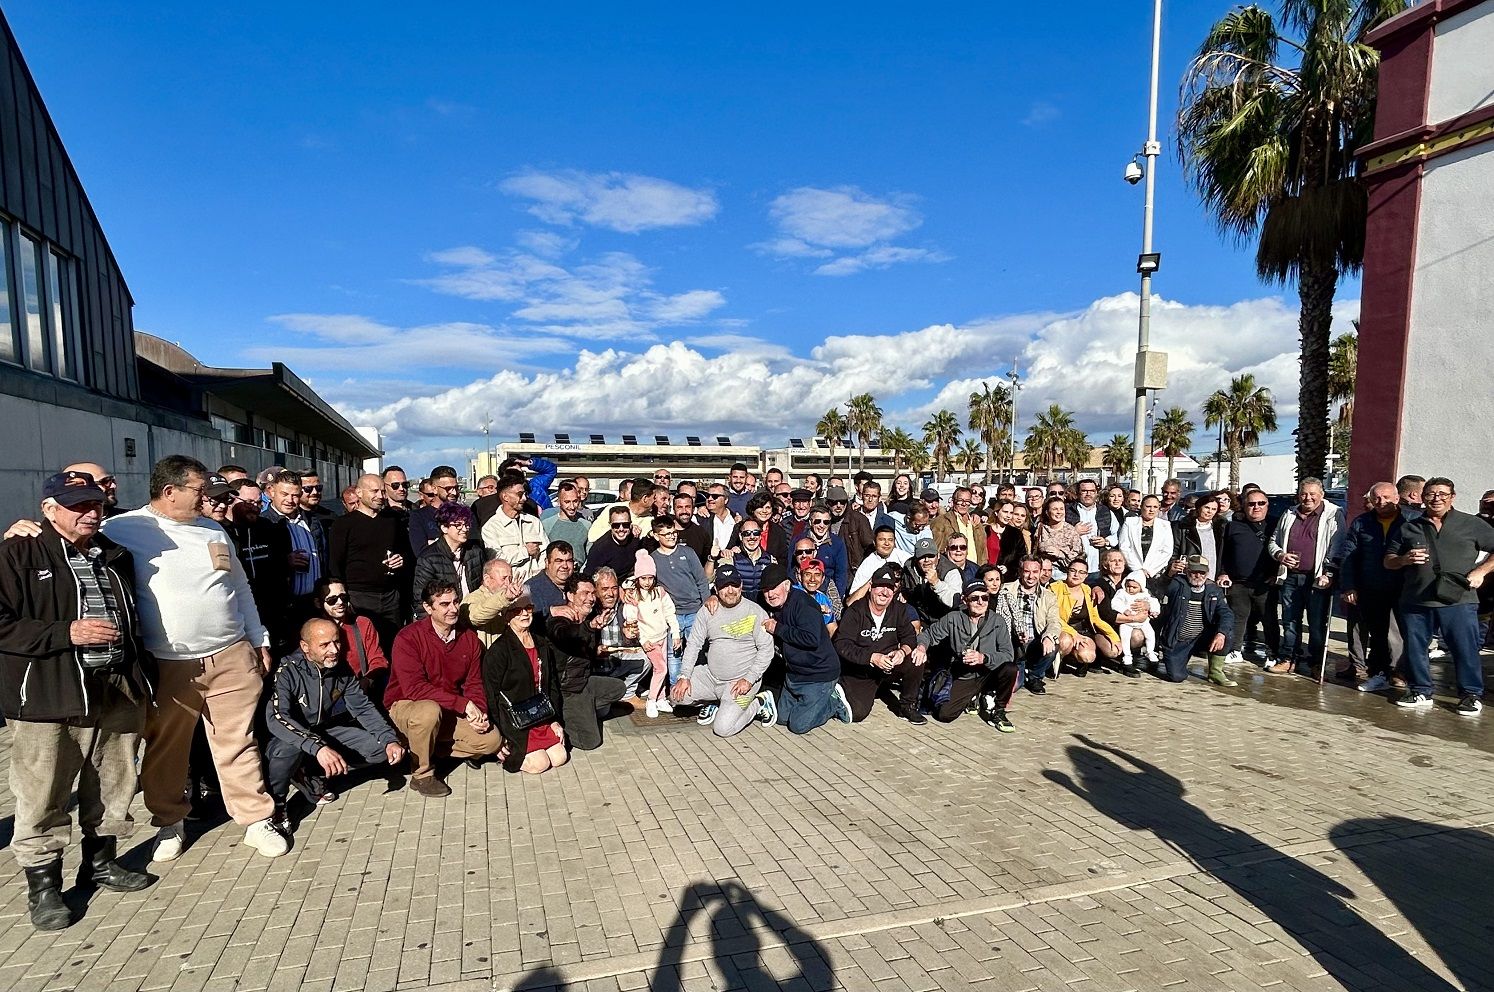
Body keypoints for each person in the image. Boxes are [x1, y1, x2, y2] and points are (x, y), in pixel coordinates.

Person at [101, 455, 287, 862]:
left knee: (237, 741)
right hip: (170, 664)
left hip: (232, 653)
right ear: (170, 492)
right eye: (199, 491)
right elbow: (67, 539)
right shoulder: (123, 528)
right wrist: (24, 529)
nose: (207, 499)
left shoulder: (213, 530)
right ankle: (169, 822)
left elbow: (239, 587)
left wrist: (259, 639)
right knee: (168, 746)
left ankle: (256, 818)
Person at [0, 471, 154, 929]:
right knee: (43, 791)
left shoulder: (113, 554)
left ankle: (101, 862)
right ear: (49, 510)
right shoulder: (17, 553)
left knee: (114, 781)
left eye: (95, 504)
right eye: (77, 506)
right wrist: (65, 633)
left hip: (117, 687)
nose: (91, 513)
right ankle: (44, 888)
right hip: (50, 694)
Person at [264, 619, 405, 833]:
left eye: (337, 642)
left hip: (324, 729)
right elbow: (277, 716)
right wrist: (318, 747)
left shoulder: (342, 668)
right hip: (287, 735)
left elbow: (362, 708)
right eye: (325, 645)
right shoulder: (287, 670)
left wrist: (389, 739)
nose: (334, 650)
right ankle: (278, 804)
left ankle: (309, 774)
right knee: (288, 749)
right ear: (305, 647)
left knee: (379, 749)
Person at [1386, 477, 1494, 715]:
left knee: (1464, 649)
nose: (1436, 499)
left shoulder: (1470, 524)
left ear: (1452, 497)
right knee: (1415, 648)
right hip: (1415, 600)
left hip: (1459, 599)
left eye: (1442, 494)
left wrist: (1481, 571)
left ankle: (1470, 695)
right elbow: (1388, 560)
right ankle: (1421, 690)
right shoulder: (1409, 526)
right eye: (1431, 494)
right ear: (1423, 497)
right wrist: (1404, 560)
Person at [385, 581, 503, 798]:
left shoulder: (468, 638)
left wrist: (479, 711)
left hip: (447, 706)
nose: (453, 609)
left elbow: (473, 682)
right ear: (428, 608)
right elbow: (415, 688)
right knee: (428, 712)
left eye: (456, 602)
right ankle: (422, 774)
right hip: (407, 703)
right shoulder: (408, 637)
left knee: (491, 741)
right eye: (445, 604)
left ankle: (427, 747)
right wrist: (463, 704)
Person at [669, 565, 776, 737]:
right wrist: (684, 676)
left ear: (741, 586)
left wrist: (749, 679)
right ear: (716, 589)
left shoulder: (755, 611)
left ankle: (758, 704)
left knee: (723, 729)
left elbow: (766, 650)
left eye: (734, 585)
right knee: (676, 696)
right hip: (711, 678)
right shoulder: (708, 610)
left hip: (740, 682)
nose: (731, 591)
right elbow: (694, 644)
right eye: (725, 586)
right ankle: (716, 702)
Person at [913, 579, 1018, 730]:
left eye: (985, 598)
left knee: (1010, 669)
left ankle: (998, 710)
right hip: (966, 675)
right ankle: (972, 697)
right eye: (975, 598)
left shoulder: (997, 621)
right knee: (944, 715)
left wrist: (984, 658)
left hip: (989, 671)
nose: (980, 602)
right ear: (965, 600)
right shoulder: (954, 618)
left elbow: (1008, 654)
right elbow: (929, 634)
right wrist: (921, 647)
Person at [481, 595, 569, 773]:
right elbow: (491, 695)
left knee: (560, 757)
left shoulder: (541, 643)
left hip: (541, 716)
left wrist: (554, 720)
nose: (524, 614)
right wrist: (499, 735)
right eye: (516, 610)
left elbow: (552, 684)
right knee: (539, 764)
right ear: (507, 617)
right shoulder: (499, 651)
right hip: (514, 721)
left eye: (528, 608)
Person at [759, 564, 851, 733]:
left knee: (798, 726)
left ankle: (833, 703)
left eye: (774, 588)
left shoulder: (803, 605)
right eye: (765, 590)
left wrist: (777, 629)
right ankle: (809, 703)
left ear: (787, 585)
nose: (770, 594)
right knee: (781, 718)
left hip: (818, 674)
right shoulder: (776, 604)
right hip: (795, 675)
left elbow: (811, 639)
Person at [1265, 478, 1343, 676]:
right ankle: (1289, 659)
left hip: (1317, 578)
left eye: (1312, 494)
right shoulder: (1289, 513)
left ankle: (1317, 663)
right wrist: (1280, 555)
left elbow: (1338, 546)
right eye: (1303, 494)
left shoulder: (1334, 514)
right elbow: (1274, 541)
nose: (1307, 498)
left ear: (1321, 494)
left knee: (1316, 624)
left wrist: (1329, 572)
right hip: (1291, 577)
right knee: (1289, 621)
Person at [328, 474, 413, 649]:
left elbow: (406, 551)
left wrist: (401, 559)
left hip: (390, 596)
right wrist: (344, 598)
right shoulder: (343, 524)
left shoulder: (392, 521)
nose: (380, 496)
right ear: (359, 492)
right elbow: (335, 563)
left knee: (393, 646)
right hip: (359, 597)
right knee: (363, 647)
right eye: (374, 491)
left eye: (382, 491)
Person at [834, 564, 924, 724]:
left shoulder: (899, 610)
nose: (884, 592)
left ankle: (907, 706)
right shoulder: (855, 611)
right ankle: (839, 688)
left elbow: (910, 637)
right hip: (862, 669)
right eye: (880, 586)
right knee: (857, 714)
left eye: (889, 587)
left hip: (889, 664)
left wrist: (902, 652)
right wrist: (872, 657)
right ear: (871, 587)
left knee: (917, 657)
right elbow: (841, 645)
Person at [546, 575, 628, 751]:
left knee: (619, 688)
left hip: (585, 681)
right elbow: (564, 634)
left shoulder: (590, 619)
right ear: (570, 596)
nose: (590, 598)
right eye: (584, 593)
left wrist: (597, 650)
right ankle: (567, 716)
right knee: (590, 742)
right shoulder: (559, 619)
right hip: (568, 690)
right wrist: (590, 627)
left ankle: (584, 712)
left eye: (592, 593)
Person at [1337, 482, 1406, 692]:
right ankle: (1379, 673)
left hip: (1403, 588)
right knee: (1377, 635)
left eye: (1386, 497)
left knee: (1399, 634)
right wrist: (1348, 586)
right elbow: (1349, 556)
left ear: (1397, 498)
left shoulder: (1410, 521)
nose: (1381, 502)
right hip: (1371, 587)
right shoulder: (1362, 523)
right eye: (1376, 498)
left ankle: (1398, 672)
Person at [1216, 489, 1278, 667]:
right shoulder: (1233, 526)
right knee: (1238, 617)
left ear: (1267, 505)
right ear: (1244, 506)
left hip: (1266, 583)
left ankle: (1273, 653)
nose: (1256, 507)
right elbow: (1224, 553)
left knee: (1269, 619)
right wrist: (1223, 572)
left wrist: (1277, 573)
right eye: (1251, 504)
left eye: (1261, 503)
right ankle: (1235, 650)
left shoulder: (1275, 524)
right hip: (1239, 583)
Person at [263, 469, 326, 634]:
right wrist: (284, 562)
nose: (290, 500)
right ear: (271, 492)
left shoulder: (312, 520)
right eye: (284, 494)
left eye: (296, 495)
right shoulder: (262, 524)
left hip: (313, 604)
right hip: (283, 609)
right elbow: (257, 569)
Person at [1156, 555, 1235, 686]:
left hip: (1201, 637)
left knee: (1227, 631)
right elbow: (1161, 589)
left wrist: (1221, 633)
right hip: (1178, 640)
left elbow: (1226, 613)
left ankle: (1215, 672)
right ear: (1187, 571)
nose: (1198, 576)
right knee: (1176, 677)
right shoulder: (1177, 583)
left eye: (1202, 572)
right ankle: (1179, 660)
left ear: (1207, 573)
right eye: (1194, 572)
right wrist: (1169, 574)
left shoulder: (1214, 589)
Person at [222, 478, 291, 629]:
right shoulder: (220, 531)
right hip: (237, 610)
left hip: (271, 611)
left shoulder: (268, 528)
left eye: (259, 503)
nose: (254, 508)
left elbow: (279, 566)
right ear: (232, 500)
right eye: (248, 503)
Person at [649, 515, 710, 683]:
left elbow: (701, 579)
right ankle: (676, 689)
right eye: (666, 534)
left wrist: (706, 603)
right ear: (656, 536)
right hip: (672, 615)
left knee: (696, 650)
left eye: (673, 532)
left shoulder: (687, 552)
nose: (671, 536)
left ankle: (697, 685)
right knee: (673, 653)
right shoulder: (653, 558)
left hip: (694, 611)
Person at [623, 552, 680, 718]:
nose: (647, 582)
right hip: (649, 640)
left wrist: (675, 633)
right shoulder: (634, 597)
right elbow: (631, 620)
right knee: (660, 669)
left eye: (650, 578)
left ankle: (661, 698)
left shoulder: (660, 593)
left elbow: (670, 613)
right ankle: (651, 699)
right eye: (643, 578)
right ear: (637, 578)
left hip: (662, 636)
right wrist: (642, 640)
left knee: (663, 669)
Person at [312, 577, 389, 696]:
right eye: (332, 600)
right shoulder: (312, 630)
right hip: (325, 694)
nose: (340, 603)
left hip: (361, 690)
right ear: (318, 603)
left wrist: (368, 680)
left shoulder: (362, 623)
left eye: (343, 597)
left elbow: (378, 660)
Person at [995, 556, 1061, 694]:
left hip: (1035, 642)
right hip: (1013, 644)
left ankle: (1034, 676)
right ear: (1020, 571)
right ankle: (1021, 672)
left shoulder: (1048, 596)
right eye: (1027, 571)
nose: (1031, 576)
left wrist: (1048, 636)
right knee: (1012, 688)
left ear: (1040, 572)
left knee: (1053, 645)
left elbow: (1054, 621)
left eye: (1035, 572)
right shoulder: (1006, 590)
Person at [1050, 558, 1122, 675]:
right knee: (1065, 642)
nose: (1076, 575)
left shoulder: (1088, 590)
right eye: (1073, 570)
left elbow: (1095, 618)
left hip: (1083, 631)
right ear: (1067, 571)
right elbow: (1054, 617)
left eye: (1081, 572)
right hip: (1063, 629)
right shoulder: (1055, 588)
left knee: (1088, 656)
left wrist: (1114, 637)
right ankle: (1060, 660)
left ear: (1086, 575)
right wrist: (1074, 634)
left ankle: (1078, 660)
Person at [412, 502, 484, 604]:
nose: (464, 529)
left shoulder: (475, 551)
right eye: (458, 525)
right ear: (444, 528)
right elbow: (421, 598)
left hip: (473, 610)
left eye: (467, 524)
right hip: (444, 614)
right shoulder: (428, 558)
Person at [480, 474, 545, 583]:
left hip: (536, 586)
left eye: (525, 494)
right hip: (508, 589)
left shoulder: (533, 522)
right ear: (505, 497)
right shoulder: (491, 527)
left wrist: (540, 577)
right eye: (520, 494)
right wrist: (525, 551)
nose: (524, 498)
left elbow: (545, 553)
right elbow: (496, 562)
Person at [462, 558, 523, 648]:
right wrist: (504, 598)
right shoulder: (473, 598)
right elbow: (475, 616)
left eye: (510, 579)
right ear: (487, 579)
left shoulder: (509, 599)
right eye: (504, 578)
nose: (508, 583)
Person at [1119, 495, 1175, 594]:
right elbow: (1124, 547)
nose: (1151, 510)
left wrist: (1150, 570)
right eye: (1148, 506)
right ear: (1141, 507)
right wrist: (1138, 570)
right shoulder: (1130, 522)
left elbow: (1167, 551)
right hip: (1132, 571)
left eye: (1155, 507)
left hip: (1155, 573)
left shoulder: (1165, 525)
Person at [1108, 572, 1161, 668]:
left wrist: (1154, 610)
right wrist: (1124, 610)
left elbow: (1154, 602)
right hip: (1126, 622)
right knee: (1125, 637)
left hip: (1143, 622)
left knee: (1150, 634)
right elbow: (1115, 603)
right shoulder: (1122, 593)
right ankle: (1127, 656)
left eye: (1134, 587)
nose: (1130, 589)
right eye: (1128, 586)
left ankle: (1150, 652)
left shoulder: (1145, 594)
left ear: (1141, 587)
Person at [841, 480, 894, 576]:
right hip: (853, 569)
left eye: (874, 496)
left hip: (879, 568)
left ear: (879, 498)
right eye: (867, 495)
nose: (870, 500)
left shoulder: (888, 521)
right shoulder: (850, 516)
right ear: (861, 496)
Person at [408, 465, 462, 548]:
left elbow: (475, 549)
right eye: (448, 488)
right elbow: (421, 552)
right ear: (434, 489)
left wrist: (434, 543)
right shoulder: (418, 517)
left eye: (456, 488)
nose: (454, 492)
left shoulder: (465, 514)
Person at [585, 506, 644, 580]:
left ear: (630, 524)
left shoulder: (635, 537)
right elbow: (589, 576)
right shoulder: (600, 548)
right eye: (616, 525)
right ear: (610, 525)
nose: (621, 529)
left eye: (625, 525)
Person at [540, 481, 591, 567]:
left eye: (575, 501)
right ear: (559, 502)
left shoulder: (586, 525)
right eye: (567, 502)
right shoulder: (547, 524)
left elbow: (590, 554)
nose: (572, 506)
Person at [932, 487, 988, 565]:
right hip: (952, 568)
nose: (964, 504)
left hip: (974, 569)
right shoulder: (942, 521)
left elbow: (983, 552)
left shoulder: (976, 523)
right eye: (960, 500)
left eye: (967, 501)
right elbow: (935, 548)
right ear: (954, 501)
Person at [524, 540, 577, 616]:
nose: (565, 566)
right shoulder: (531, 588)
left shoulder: (577, 583)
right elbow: (525, 616)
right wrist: (550, 611)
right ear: (547, 563)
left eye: (569, 561)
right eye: (559, 561)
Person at [1035, 497, 1083, 568]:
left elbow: (1078, 559)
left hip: (1063, 573)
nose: (1059, 512)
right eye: (1055, 509)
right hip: (1043, 571)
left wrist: (1060, 554)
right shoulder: (1040, 528)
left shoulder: (1071, 531)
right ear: (1047, 512)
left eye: (1061, 509)